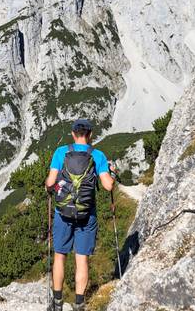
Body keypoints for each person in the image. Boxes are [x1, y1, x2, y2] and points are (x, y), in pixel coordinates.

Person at [45, 119, 115, 311]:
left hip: (63, 213)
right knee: (81, 259)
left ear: (73, 134)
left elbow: (50, 183)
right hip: (87, 214)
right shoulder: (98, 155)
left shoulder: (61, 152)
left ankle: (57, 303)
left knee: (60, 256)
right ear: (90, 134)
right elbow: (108, 185)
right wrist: (113, 173)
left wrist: (49, 186)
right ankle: (79, 304)